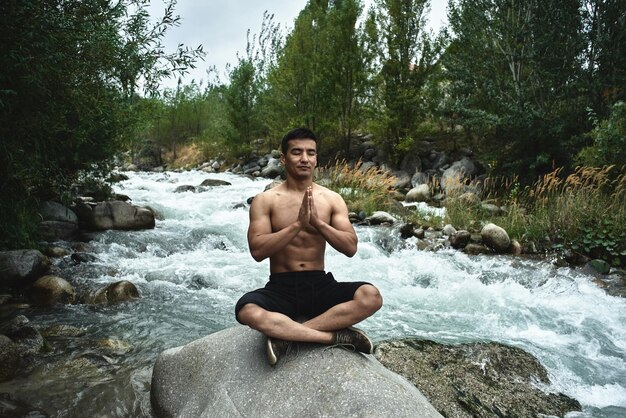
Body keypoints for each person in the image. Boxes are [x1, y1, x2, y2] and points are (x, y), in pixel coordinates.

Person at [235, 127, 383, 365]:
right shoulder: (266, 200)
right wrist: (297, 226)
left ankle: (286, 336)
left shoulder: (332, 199)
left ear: (316, 158)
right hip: (281, 286)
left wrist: (317, 223)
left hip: (320, 284)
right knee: (247, 311)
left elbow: (350, 247)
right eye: (296, 152)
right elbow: (258, 251)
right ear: (284, 159)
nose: (304, 158)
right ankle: (332, 337)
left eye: (310, 153)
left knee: (371, 296)